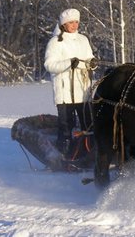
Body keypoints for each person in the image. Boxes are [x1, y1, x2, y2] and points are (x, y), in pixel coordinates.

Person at [44, 8, 97, 161]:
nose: (74, 25)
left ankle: (88, 153)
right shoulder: (55, 42)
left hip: (83, 90)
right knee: (66, 126)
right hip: (64, 92)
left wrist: (92, 63)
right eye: (71, 22)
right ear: (63, 24)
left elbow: (89, 59)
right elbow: (49, 65)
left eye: (76, 22)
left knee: (88, 126)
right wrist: (68, 63)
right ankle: (63, 155)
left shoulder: (83, 39)